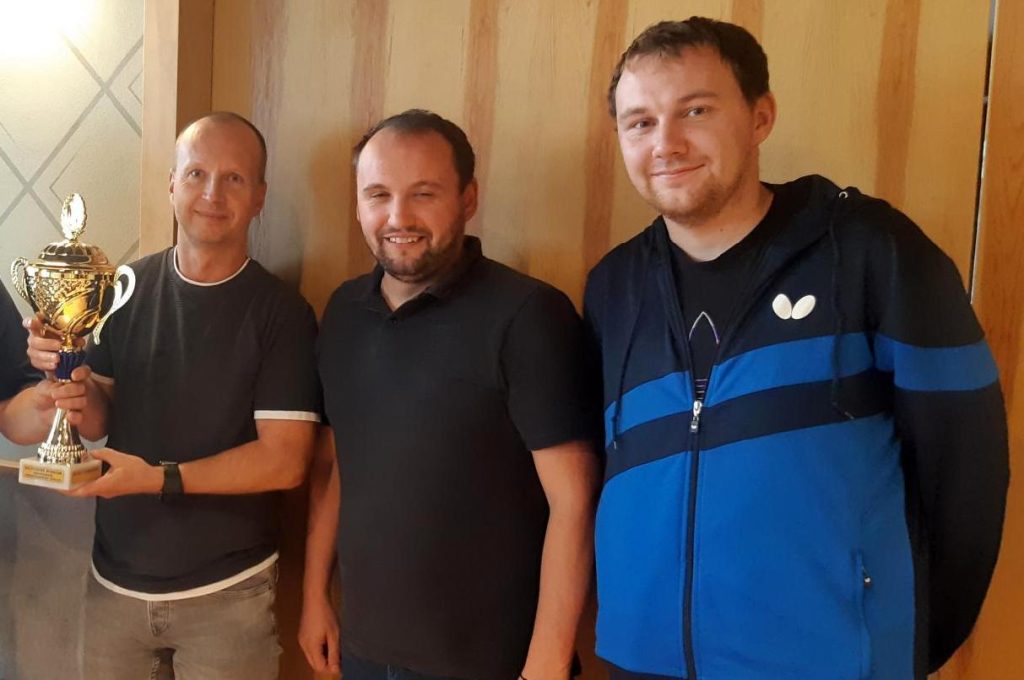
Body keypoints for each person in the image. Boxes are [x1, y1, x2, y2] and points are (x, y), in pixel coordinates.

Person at [584, 17, 1008, 680]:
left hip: (827, 662)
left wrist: (908, 641)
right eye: (640, 122)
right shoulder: (612, 287)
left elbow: (968, 470)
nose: (665, 143)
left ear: (760, 117)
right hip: (643, 660)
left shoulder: (872, 251)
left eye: (695, 110)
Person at [299, 109, 600, 680]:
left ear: (468, 198)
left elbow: (574, 500)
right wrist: (314, 596)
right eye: (378, 194)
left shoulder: (528, 316)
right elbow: (338, 467)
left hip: (492, 661)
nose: (398, 217)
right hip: (363, 653)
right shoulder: (342, 313)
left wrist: (548, 662)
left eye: (424, 194)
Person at [26, 112, 321, 680]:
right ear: (170, 184)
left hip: (228, 594)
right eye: (196, 174)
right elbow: (99, 419)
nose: (212, 194)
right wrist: (69, 380)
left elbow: (285, 461)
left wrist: (159, 478)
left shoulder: (282, 312)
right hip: (113, 583)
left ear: (259, 197)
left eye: (234, 178)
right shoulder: (122, 289)